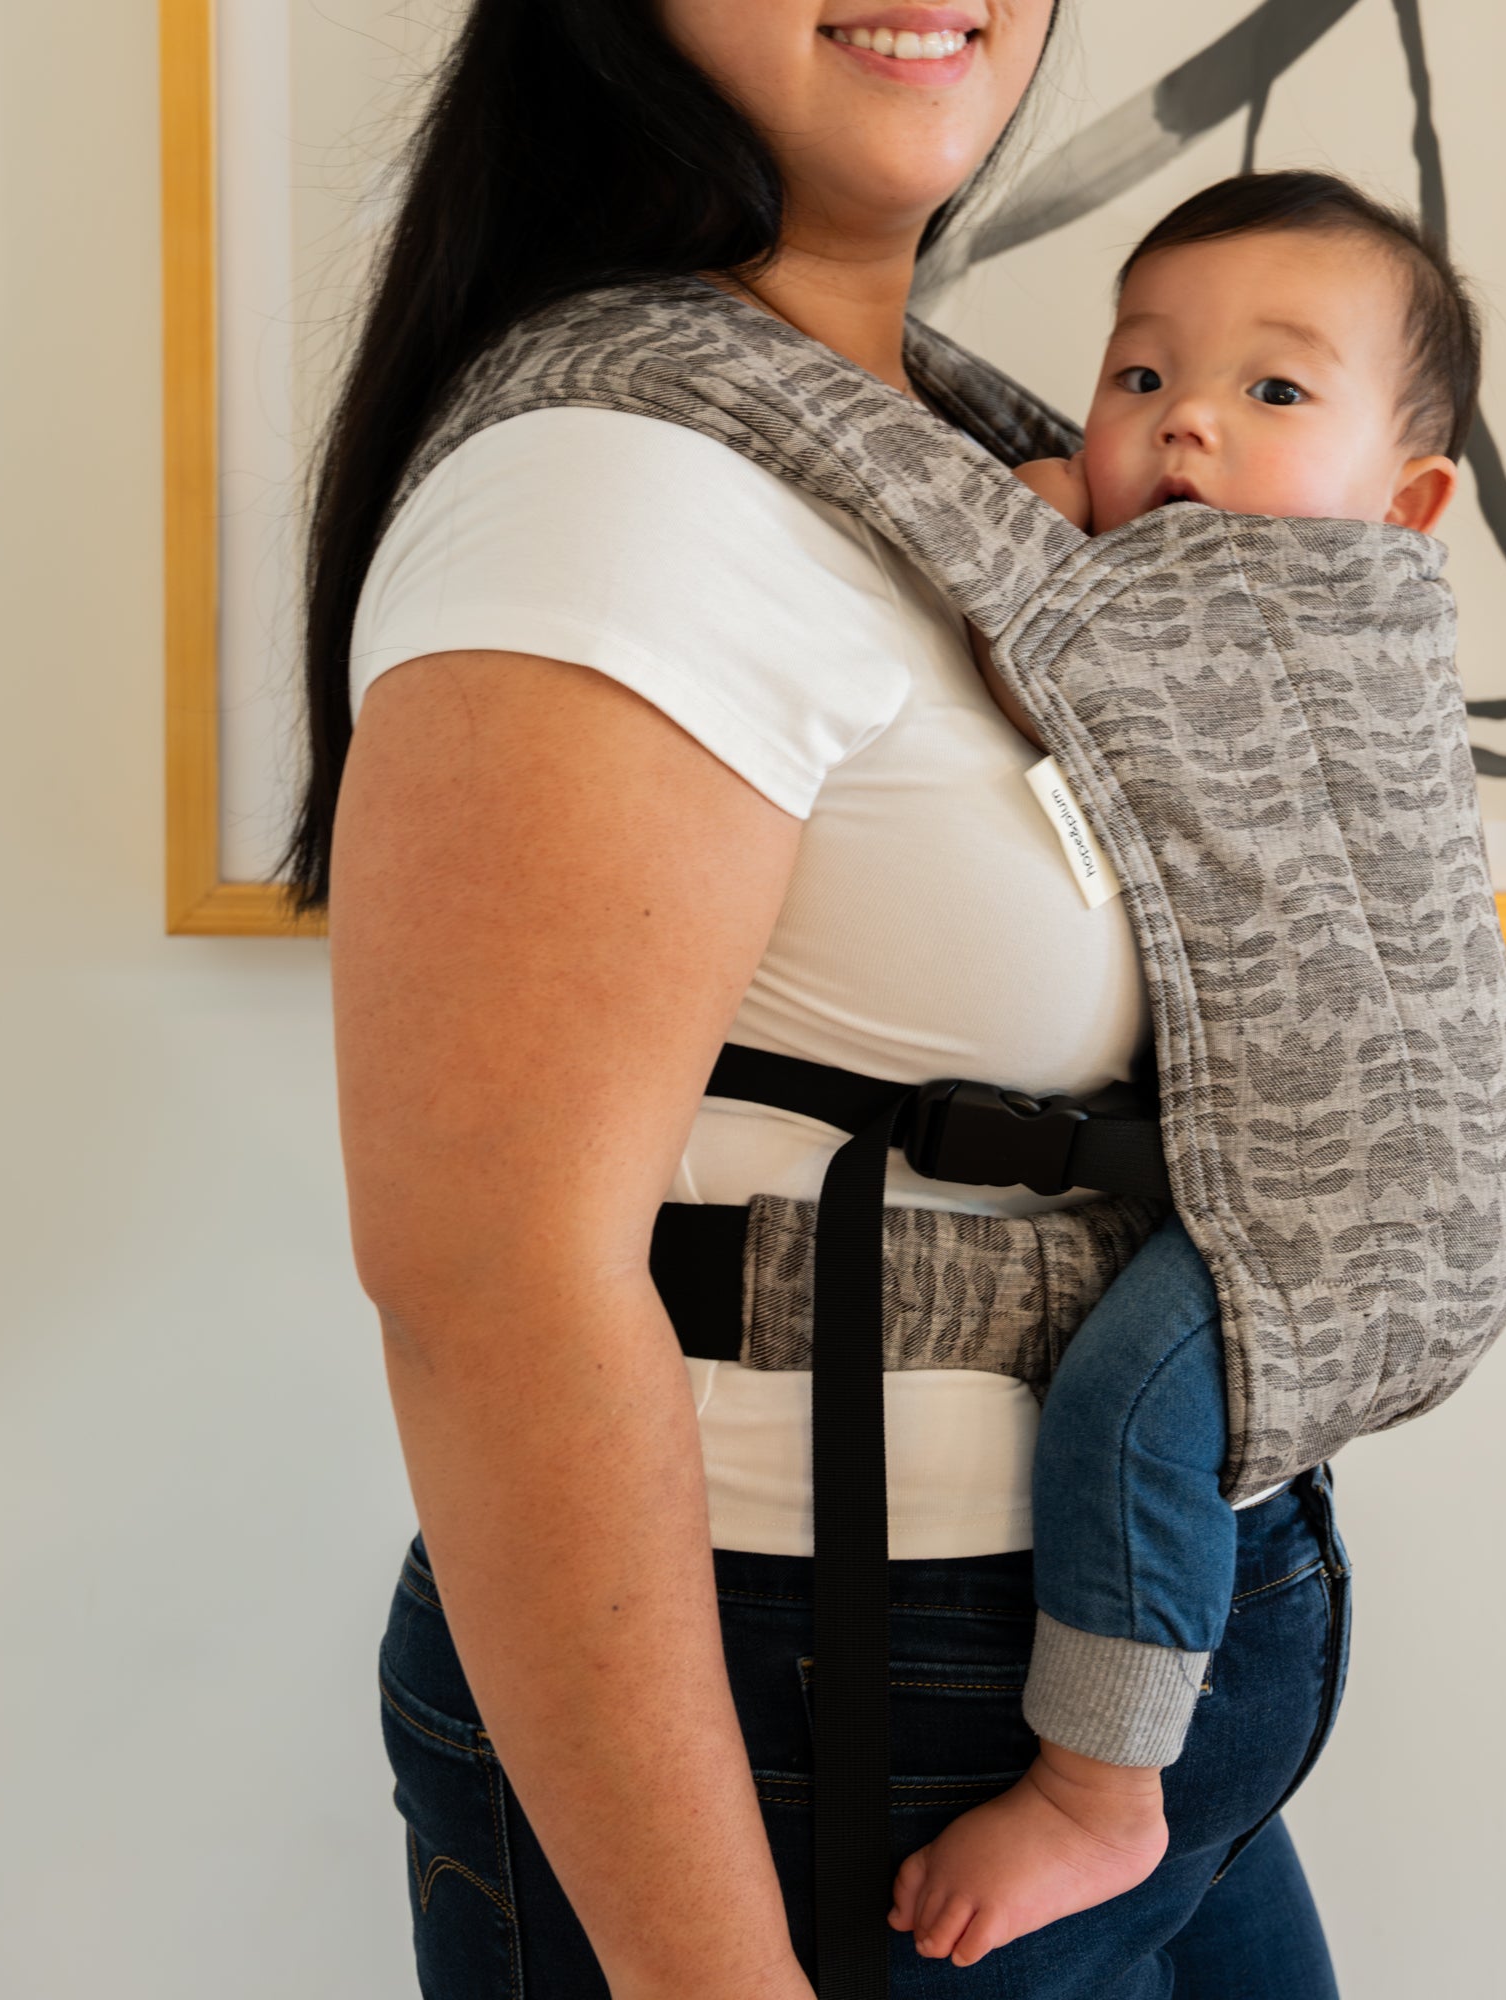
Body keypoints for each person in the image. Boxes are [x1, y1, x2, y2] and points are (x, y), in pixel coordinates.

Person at [291, 6, 1352, 1995]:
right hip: (835, 1726)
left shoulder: (961, 456)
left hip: (1105, 1696)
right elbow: (487, 1283)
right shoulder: (619, 489)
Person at [891, 169, 1479, 1968]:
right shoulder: (1205, 590)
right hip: (1348, 1159)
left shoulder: (1298, 609)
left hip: (1360, 1169)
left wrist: (1027, 525)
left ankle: (1095, 1784)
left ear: (1409, 503)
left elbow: (1032, 665)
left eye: (1273, 392)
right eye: (1138, 379)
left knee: (1134, 1415)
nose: (1186, 421)